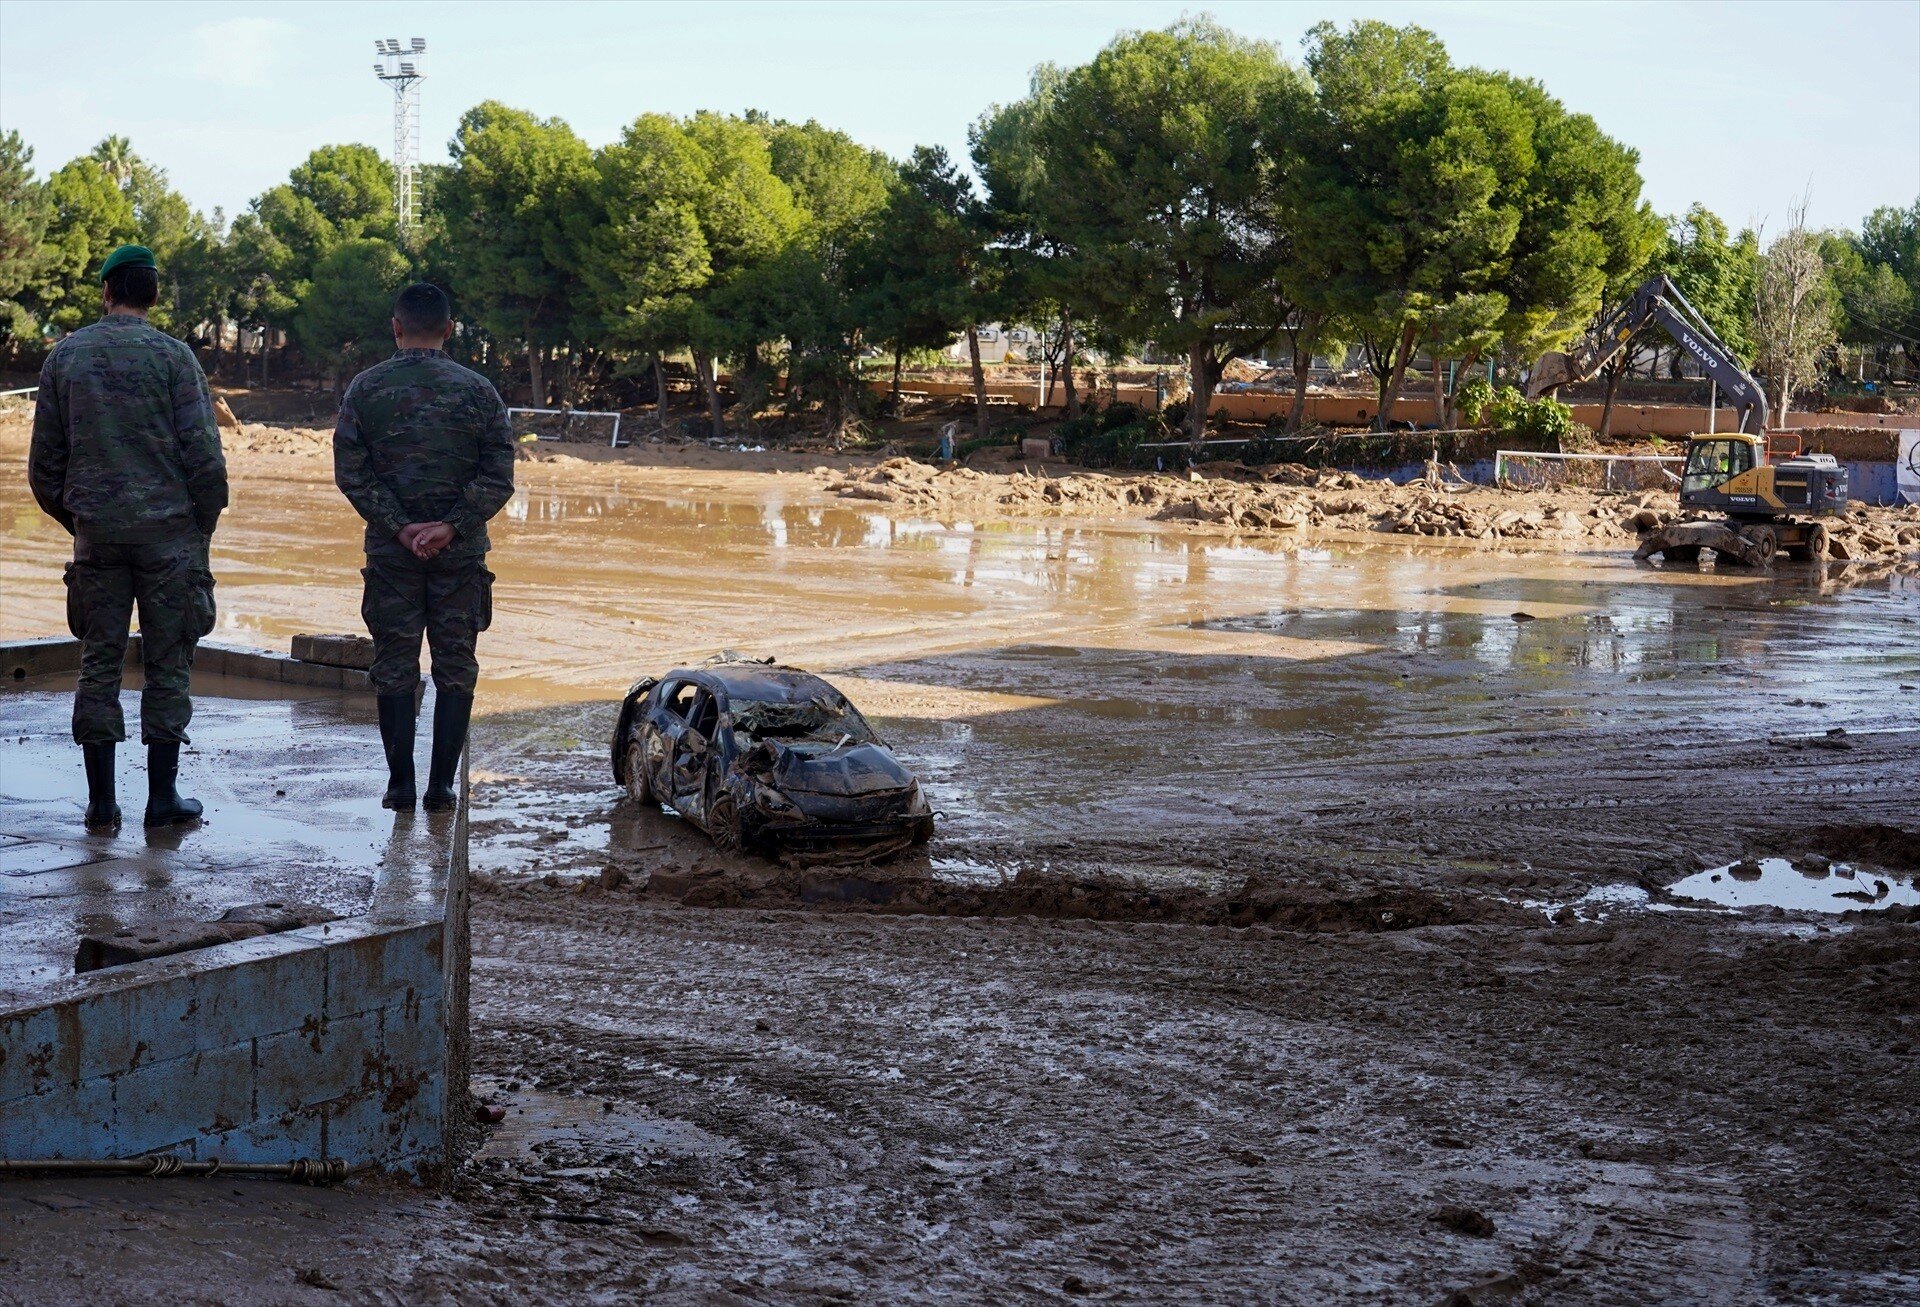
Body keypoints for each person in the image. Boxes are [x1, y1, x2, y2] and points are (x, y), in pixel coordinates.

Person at [29, 244, 227, 832]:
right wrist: (201, 528)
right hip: (170, 540)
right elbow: (206, 461)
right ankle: (162, 799)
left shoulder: (65, 358)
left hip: (98, 540)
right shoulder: (175, 358)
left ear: (107, 292)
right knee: (169, 666)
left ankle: (101, 804)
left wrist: (83, 522)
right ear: (154, 296)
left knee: (98, 664)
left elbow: (44, 469)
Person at [333, 283, 515, 811]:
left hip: (392, 557)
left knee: (394, 664)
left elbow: (351, 473)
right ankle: (442, 789)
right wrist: (452, 527)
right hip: (459, 556)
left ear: (396, 327)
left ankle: (400, 785)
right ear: (449, 330)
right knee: (455, 665)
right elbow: (499, 475)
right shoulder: (479, 390)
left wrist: (399, 527)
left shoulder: (366, 389)